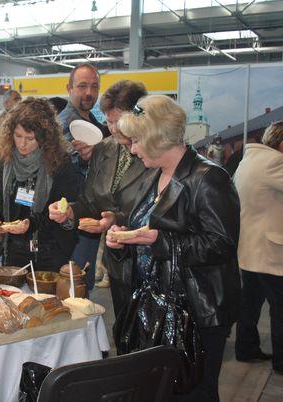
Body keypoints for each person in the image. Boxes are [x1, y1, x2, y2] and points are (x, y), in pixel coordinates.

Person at [106, 95, 241, 401]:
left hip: (196, 311)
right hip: (156, 304)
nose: (133, 148)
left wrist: (161, 242)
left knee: (193, 391)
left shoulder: (208, 178)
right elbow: (145, 228)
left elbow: (221, 244)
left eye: (137, 140)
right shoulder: (153, 174)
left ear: (157, 138)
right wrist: (122, 237)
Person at [49, 79, 150, 317]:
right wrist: (70, 211)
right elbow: (90, 201)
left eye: (118, 121)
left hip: (148, 257)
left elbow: (154, 209)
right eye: (108, 121)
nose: (112, 128)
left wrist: (115, 219)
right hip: (116, 258)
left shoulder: (153, 155)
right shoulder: (104, 150)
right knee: (123, 323)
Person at [0, 97, 77, 271]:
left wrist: (31, 222)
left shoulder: (60, 163)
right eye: (18, 135)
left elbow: (64, 209)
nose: (22, 144)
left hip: (49, 251)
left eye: (30, 138)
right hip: (13, 249)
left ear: (44, 138)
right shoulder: (7, 160)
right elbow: (0, 199)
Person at [234, 121, 283, 374]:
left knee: (250, 301)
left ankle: (246, 347)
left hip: (250, 246)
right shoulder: (275, 163)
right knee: (279, 306)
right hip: (270, 249)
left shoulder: (249, 160)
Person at [57, 63, 110, 293]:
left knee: (83, 286)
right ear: (69, 88)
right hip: (71, 218)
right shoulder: (62, 125)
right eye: (82, 86)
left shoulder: (93, 124)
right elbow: (56, 171)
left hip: (89, 216)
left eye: (94, 86)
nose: (89, 93)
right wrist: (82, 159)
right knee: (72, 288)